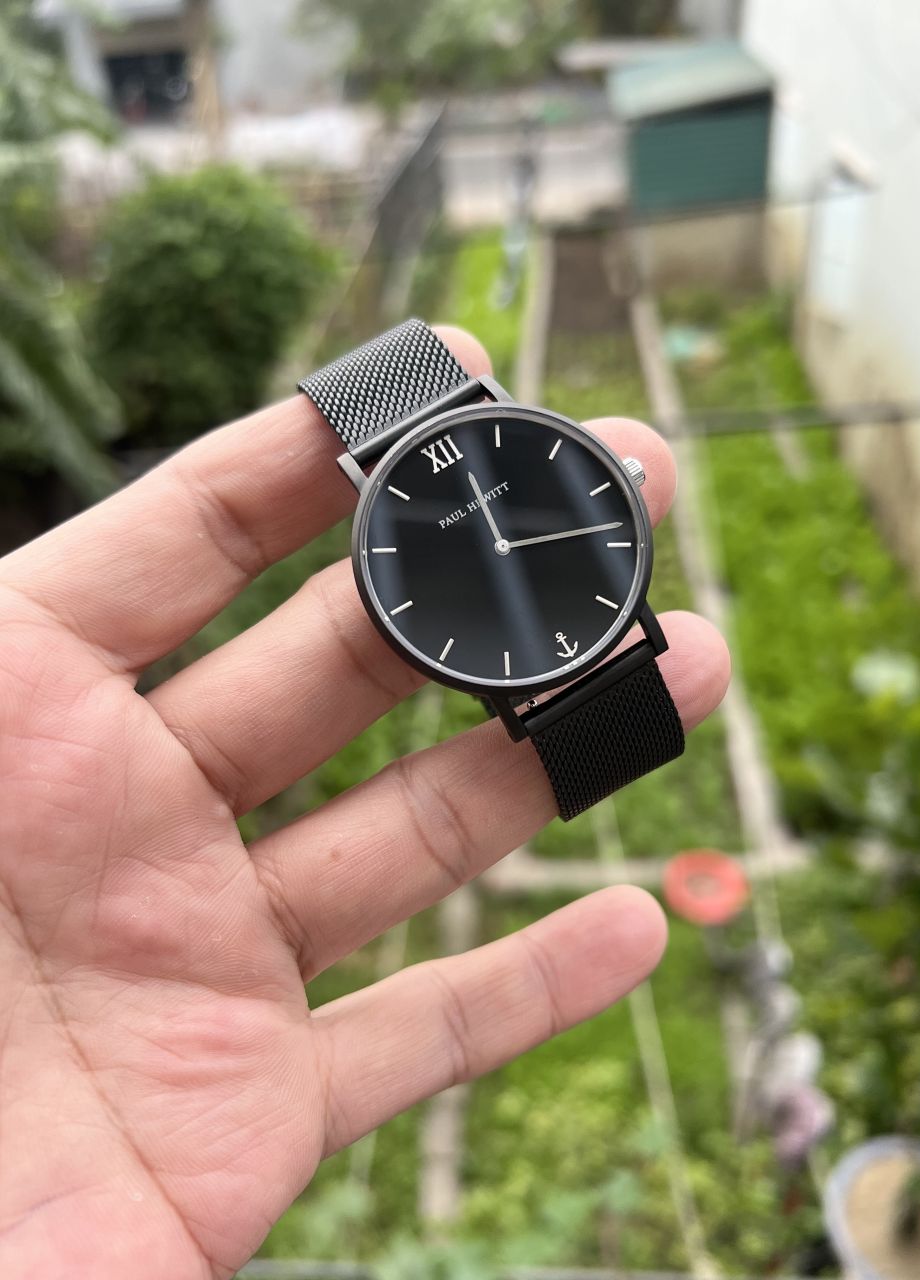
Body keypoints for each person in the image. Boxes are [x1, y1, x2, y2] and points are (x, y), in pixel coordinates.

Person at [0, 326, 729, 1278]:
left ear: (615, 483)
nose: (498, 540)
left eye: (511, 531)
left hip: (568, 632)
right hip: (530, 651)